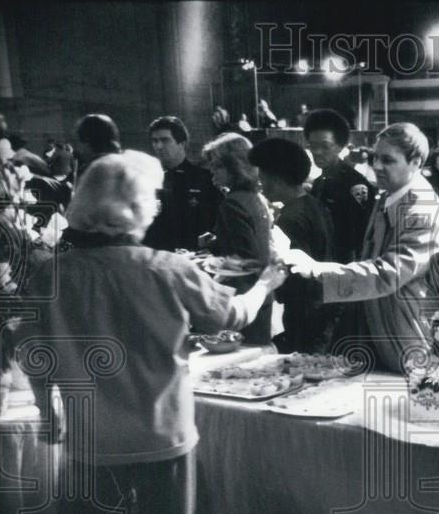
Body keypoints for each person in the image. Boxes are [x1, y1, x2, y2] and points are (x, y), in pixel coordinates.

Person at [12, 150, 287, 514]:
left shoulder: (51, 274)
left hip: (91, 441)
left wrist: (47, 415)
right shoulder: (166, 268)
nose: (158, 204)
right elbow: (230, 316)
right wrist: (266, 283)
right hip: (163, 437)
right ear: (134, 207)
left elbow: (35, 352)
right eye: (154, 196)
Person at [282, 122, 439, 373]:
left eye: (388, 160)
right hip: (384, 332)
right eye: (374, 158)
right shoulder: (389, 195)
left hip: (407, 339)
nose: (377, 166)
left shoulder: (421, 210)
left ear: (415, 162)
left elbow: (387, 273)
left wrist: (317, 270)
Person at [248, 136, 337, 353]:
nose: (260, 182)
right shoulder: (313, 205)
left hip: (302, 315)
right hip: (324, 306)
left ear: (277, 178)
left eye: (262, 175)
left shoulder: (290, 218)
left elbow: (292, 277)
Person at [202, 132, 274, 344]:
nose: (211, 171)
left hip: (243, 296)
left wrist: (212, 262)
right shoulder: (256, 197)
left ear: (235, 166)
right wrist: (216, 242)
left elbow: (247, 258)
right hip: (262, 292)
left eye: (217, 166)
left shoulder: (232, 203)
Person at [303, 108, 375, 264]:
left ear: (340, 147)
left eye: (325, 146)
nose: (317, 152)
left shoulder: (354, 183)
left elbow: (362, 237)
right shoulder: (319, 182)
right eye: (313, 146)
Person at [143, 116, 221, 252]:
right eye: (155, 141)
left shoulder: (205, 179)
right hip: (157, 256)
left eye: (165, 140)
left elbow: (218, 223)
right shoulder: (147, 180)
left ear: (182, 143)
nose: (158, 146)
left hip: (195, 256)